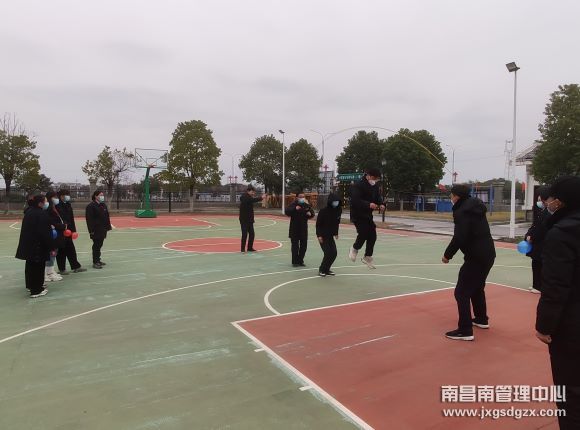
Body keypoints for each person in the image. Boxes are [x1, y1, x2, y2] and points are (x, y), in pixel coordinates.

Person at [535, 176, 580, 429]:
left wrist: (544, 326)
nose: (548, 202)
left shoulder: (562, 233)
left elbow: (555, 286)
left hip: (572, 325)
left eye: (552, 198)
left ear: (561, 201)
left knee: (570, 391)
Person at [442, 184, 496, 341]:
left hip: (476, 257)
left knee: (461, 292)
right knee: (477, 287)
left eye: (451, 195)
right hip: (488, 254)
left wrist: (447, 255)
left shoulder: (462, 211)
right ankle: (481, 319)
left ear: (456, 196)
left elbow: (460, 237)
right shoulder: (475, 206)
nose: (450, 198)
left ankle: (465, 330)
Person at [15, 194, 53, 297]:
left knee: (30, 267)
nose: (46, 203)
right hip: (38, 246)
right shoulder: (41, 214)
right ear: (40, 203)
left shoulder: (29, 212)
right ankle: (36, 290)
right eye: (45, 201)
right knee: (38, 268)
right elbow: (44, 232)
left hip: (29, 244)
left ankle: (30, 286)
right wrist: (51, 246)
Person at [348, 168, 385, 269]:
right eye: (374, 178)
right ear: (369, 176)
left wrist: (381, 204)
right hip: (357, 214)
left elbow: (377, 197)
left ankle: (367, 256)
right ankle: (354, 249)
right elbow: (355, 200)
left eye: (377, 179)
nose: (375, 181)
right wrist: (368, 204)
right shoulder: (358, 185)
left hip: (367, 214)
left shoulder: (374, 186)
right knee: (363, 233)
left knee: (372, 235)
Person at [525, 186, 550, 293]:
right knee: (535, 264)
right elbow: (534, 226)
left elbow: (542, 229)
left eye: (540, 199)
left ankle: (539, 286)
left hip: (541, 244)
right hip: (536, 244)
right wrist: (528, 235)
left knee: (540, 265)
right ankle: (536, 284)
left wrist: (532, 237)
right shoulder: (541, 211)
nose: (538, 201)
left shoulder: (548, 213)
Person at [55, 189, 86, 274]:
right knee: (61, 250)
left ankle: (75, 266)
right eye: (66, 195)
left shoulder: (68, 204)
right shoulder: (57, 205)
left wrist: (73, 230)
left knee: (71, 249)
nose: (68, 196)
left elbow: (71, 219)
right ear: (61, 196)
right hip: (61, 231)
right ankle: (62, 269)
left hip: (69, 231)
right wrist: (63, 227)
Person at [285, 191, 315, 267]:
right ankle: (295, 262)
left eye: (303, 197)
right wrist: (295, 208)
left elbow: (312, 214)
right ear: (297, 197)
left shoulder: (306, 205)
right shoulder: (293, 204)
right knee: (295, 246)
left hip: (303, 229)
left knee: (304, 246)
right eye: (300, 197)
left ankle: (300, 260)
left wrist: (310, 214)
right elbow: (287, 212)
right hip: (294, 229)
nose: (302, 198)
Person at [316, 193, 342, 277]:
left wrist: (336, 233)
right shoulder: (323, 211)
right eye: (334, 201)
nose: (336, 203)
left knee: (334, 253)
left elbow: (337, 223)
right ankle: (322, 269)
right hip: (323, 236)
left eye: (337, 201)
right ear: (330, 201)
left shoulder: (338, 210)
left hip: (330, 236)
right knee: (327, 253)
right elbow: (318, 224)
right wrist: (319, 235)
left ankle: (327, 269)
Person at [85, 190, 112, 269]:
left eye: (102, 195)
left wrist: (108, 227)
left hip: (103, 229)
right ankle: (95, 262)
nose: (102, 196)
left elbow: (107, 216)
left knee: (100, 244)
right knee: (96, 245)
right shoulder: (91, 206)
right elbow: (89, 219)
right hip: (95, 230)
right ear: (96, 196)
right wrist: (91, 231)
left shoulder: (103, 205)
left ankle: (98, 260)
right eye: (100, 195)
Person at [239, 185, 266, 253]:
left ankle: (250, 248)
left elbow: (252, 200)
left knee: (252, 234)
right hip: (244, 219)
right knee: (244, 234)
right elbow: (251, 200)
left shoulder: (250, 197)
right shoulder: (244, 196)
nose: (253, 193)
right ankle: (242, 249)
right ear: (248, 191)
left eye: (254, 192)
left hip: (250, 219)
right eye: (252, 192)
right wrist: (261, 198)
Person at [45, 191, 64, 283]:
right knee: (51, 252)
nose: (57, 199)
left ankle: (51, 271)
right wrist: (61, 226)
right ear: (50, 198)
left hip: (57, 233)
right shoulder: (48, 208)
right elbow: (51, 221)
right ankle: (48, 273)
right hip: (53, 233)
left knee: (54, 252)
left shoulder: (54, 207)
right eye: (55, 197)